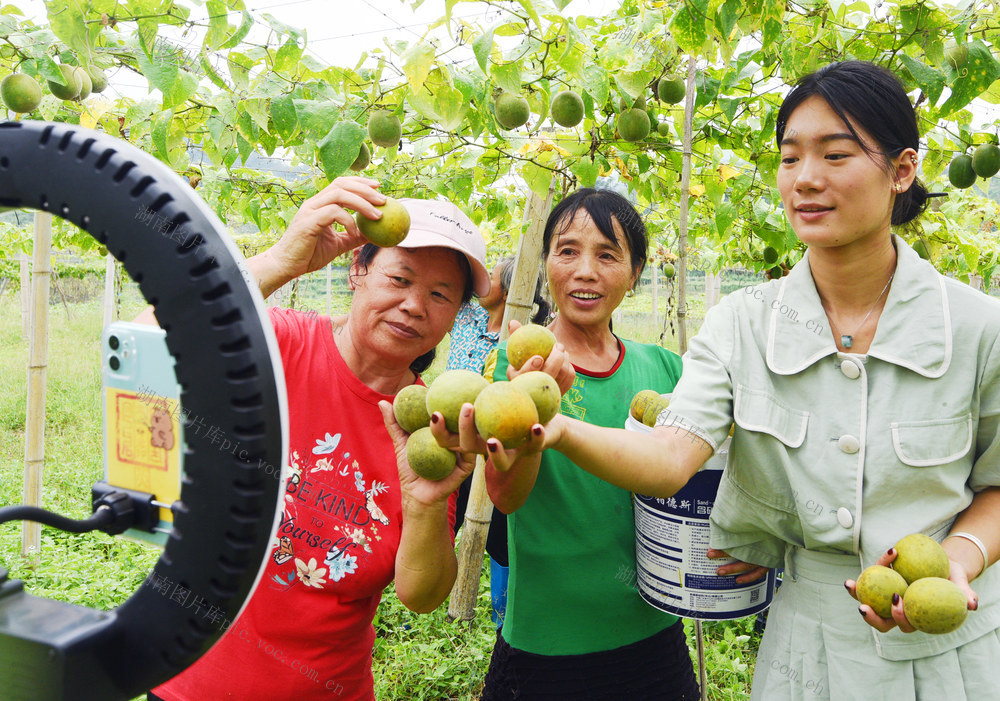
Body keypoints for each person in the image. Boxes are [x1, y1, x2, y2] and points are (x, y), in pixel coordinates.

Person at [489, 62, 1000, 699]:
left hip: (949, 659)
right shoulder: (743, 323)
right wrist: (556, 428)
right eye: (790, 159)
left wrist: (963, 556)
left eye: (835, 154)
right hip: (802, 653)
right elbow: (672, 457)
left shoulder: (979, 327)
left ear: (901, 171)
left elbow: (995, 484)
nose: (806, 179)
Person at [144, 176, 491, 700]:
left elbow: (422, 596)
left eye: (440, 295)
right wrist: (281, 261)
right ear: (358, 270)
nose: (415, 305)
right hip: (187, 683)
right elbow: (144, 343)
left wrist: (424, 504)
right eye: (400, 278)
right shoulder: (279, 342)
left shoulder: (426, 429)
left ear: (452, 318)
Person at [445, 187, 701, 699]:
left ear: (634, 273)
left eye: (608, 255)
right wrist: (532, 419)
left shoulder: (668, 372)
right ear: (546, 265)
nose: (585, 270)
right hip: (546, 645)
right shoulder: (512, 371)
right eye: (567, 251)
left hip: (654, 632)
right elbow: (507, 498)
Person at [447, 255, 549, 628]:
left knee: (501, 532)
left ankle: (500, 611)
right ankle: (431, 601)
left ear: (508, 288)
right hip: (451, 439)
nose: (483, 279)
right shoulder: (468, 317)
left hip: (494, 445)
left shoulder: (522, 341)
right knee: (447, 519)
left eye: (490, 275)